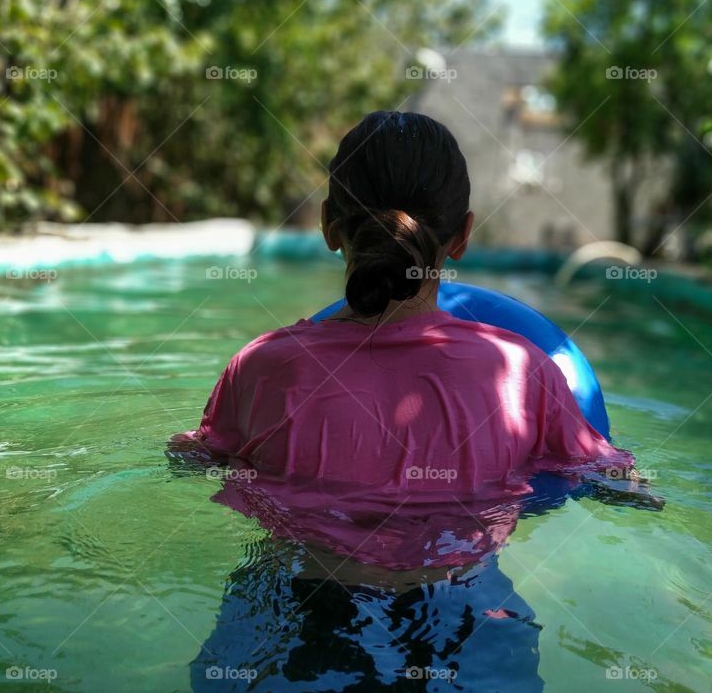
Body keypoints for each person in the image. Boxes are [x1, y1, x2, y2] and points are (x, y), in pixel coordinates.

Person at [182, 110, 639, 504]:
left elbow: (191, 460)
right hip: (460, 602)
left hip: (288, 598)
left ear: (328, 226)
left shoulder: (260, 367)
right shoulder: (525, 375)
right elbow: (620, 484)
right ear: (462, 236)